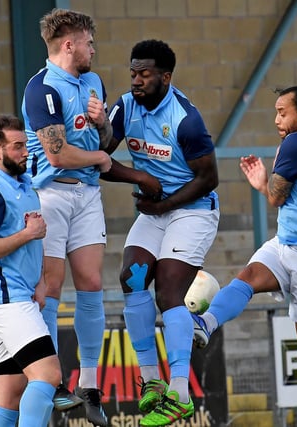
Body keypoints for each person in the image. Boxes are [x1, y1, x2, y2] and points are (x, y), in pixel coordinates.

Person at [191, 86, 297, 427]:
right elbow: (288, 197)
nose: (277, 119)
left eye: (283, 112)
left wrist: (266, 183)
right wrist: (268, 183)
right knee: (248, 276)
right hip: (287, 243)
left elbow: (277, 197)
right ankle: (206, 323)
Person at [103, 39, 220, 426]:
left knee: (168, 290)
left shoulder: (186, 120)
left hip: (192, 211)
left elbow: (208, 178)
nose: (136, 80)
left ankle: (181, 393)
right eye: (133, 72)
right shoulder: (125, 106)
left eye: (145, 73)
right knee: (131, 279)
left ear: (166, 77)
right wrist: (101, 127)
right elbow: (102, 156)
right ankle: (151, 381)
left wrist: (165, 203)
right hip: (154, 210)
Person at [21, 8, 113, 425]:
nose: (94, 49)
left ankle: (90, 385)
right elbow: (56, 152)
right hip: (51, 194)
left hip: (88, 193)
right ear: (69, 44)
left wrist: (103, 123)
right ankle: (54, 381)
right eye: (89, 42)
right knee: (52, 285)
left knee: (92, 282)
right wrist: (100, 156)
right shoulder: (41, 89)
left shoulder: (93, 82)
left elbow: (107, 136)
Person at [0, 114, 61, 427]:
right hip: (6, 302)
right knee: (48, 375)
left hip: (9, 299)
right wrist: (27, 234)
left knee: (9, 395)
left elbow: (33, 236)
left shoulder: (21, 182)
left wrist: (42, 281)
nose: (25, 151)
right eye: (18, 146)